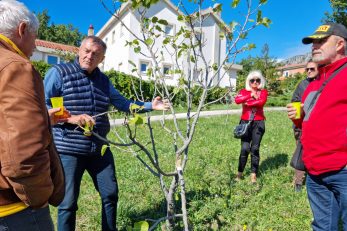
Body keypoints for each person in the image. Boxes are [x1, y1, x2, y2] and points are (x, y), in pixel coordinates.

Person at [44, 35, 170, 231]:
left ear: (102, 59)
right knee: (67, 203)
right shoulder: (58, 73)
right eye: (86, 51)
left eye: (96, 54)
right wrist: (72, 118)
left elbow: (123, 103)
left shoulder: (103, 80)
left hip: (99, 148)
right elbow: (43, 106)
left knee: (110, 194)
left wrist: (149, 106)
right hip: (69, 149)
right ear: (79, 50)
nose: (89, 56)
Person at [0, 0, 65, 230]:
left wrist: (41, 118)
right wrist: (38, 198)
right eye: (35, 37)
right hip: (14, 208)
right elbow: (23, 154)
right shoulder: (16, 66)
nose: (35, 46)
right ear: (22, 29)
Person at [287, 22, 347, 230]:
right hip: (315, 172)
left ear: (340, 44)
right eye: (313, 42)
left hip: (343, 170)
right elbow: (309, 121)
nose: (314, 46)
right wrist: (298, 117)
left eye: (321, 41)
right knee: (322, 227)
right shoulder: (313, 83)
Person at [234, 70, 268, 183]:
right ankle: (239, 173)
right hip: (245, 123)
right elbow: (237, 100)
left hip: (258, 123)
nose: (255, 82)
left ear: (260, 81)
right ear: (248, 81)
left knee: (255, 148)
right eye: (252, 80)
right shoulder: (244, 91)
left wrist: (248, 103)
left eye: (257, 80)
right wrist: (250, 95)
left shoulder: (263, 92)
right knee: (244, 148)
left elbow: (261, 102)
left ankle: (253, 174)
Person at [290, 60, 319, 192]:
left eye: (312, 69)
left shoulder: (323, 83)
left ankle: (316, 180)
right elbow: (294, 103)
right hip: (301, 127)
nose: (308, 71)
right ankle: (298, 183)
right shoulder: (302, 85)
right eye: (307, 69)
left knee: (316, 154)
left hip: (319, 128)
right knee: (300, 153)